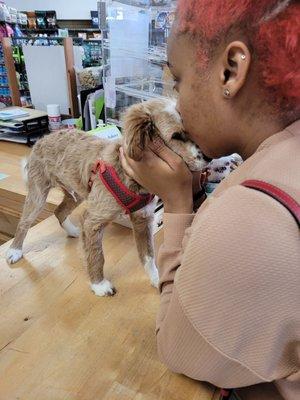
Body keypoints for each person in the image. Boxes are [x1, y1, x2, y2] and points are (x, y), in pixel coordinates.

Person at [120, 1, 300, 399]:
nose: (177, 100)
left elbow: (177, 346)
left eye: (178, 79)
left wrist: (177, 200)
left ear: (231, 70)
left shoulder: (252, 218)